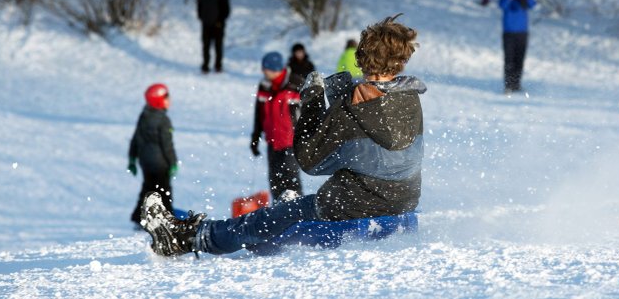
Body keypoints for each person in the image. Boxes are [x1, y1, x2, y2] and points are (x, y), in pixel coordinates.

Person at [139, 15, 425, 257]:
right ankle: (285, 206)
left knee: (266, 221)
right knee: (291, 211)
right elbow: (376, 148)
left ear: (362, 58)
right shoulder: (410, 99)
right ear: (400, 60)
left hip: (351, 208)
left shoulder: (350, 110)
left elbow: (311, 161)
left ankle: (187, 238)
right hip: (402, 203)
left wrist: (312, 103)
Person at [250, 52, 304, 202]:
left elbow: (308, 114)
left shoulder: (296, 84)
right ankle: (278, 215)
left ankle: (298, 215)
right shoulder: (264, 86)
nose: (264, 72)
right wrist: (255, 136)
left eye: (266, 69)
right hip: (272, 142)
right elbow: (259, 114)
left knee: (291, 181)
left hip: (291, 142)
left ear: (276, 69)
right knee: (275, 182)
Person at [129, 84, 179, 226]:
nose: (169, 101)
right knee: (164, 190)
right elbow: (167, 145)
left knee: (149, 188)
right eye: (166, 98)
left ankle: (139, 216)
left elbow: (135, 138)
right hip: (160, 163)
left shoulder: (144, 115)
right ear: (158, 101)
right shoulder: (163, 120)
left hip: (145, 162)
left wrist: (132, 158)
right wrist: (173, 162)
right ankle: (168, 219)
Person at [499, 0, 537, 94]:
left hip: (522, 32)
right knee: (509, 59)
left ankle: (516, 84)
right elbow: (502, 5)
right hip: (508, 31)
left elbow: (532, 4)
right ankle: (508, 85)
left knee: (519, 59)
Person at [197, 0, 230, 74]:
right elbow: (199, 7)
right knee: (205, 46)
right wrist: (201, 17)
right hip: (206, 24)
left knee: (218, 47)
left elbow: (226, 10)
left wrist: (220, 21)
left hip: (218, 25)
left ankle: (218, 65)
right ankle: (205, 65)